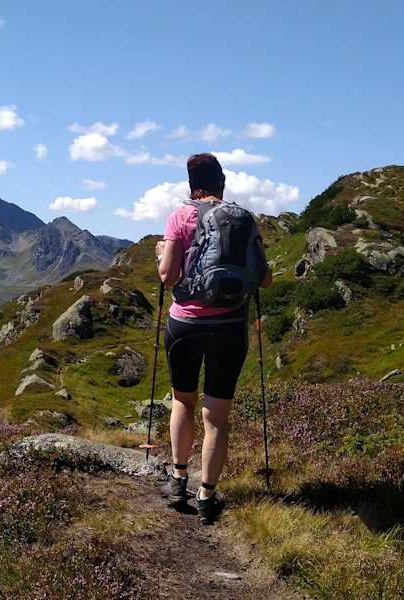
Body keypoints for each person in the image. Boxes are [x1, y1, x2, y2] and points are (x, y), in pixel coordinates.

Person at [155, 153, 272, 525]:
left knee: (183, 402)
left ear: (191, 184)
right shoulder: (243, 220)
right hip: (229, 327)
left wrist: (161, 254)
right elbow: (265, 280)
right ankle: (207, 496)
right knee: (217, 417)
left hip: (185, 325)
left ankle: (178, 480)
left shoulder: (180, 216)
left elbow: (168, 276)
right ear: (221, 182)